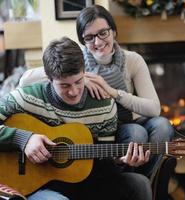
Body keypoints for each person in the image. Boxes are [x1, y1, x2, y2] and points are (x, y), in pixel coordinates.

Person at [19, 4, 174, 177]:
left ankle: (147, 180)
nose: (98, 42)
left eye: (103, 33)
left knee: (162, 125)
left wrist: (112, 92)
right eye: (89, 37)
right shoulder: (77, 64)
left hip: (130, 120)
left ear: (113, 31)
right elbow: (27, 79)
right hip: (102, 127)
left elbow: (154, 109)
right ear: (82, 40)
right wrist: (82, 77)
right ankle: (126, 181)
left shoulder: (132, 60)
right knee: (136, 134)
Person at [0, 37, 152, 200]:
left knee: (139, 184)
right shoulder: (25, 98)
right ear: (49, 79)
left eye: (78, 81)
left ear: (84, 72)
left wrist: (121, 161)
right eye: (64, 85)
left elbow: (104, 166)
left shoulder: (105, 106)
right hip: (35, 185)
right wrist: (24, 139)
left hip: (83, 181)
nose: (74, 92)